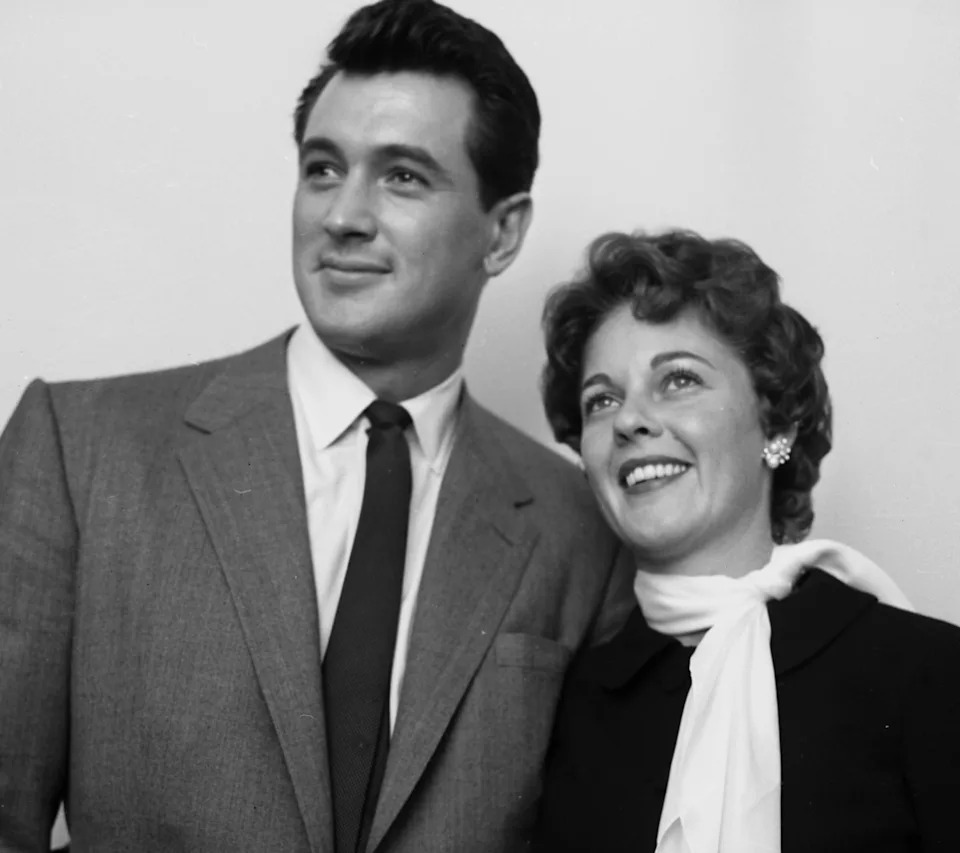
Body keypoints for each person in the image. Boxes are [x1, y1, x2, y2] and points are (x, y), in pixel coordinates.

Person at [0, 2, 632, 851]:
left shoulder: (576, 528)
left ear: (503, 231)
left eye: (402, 176)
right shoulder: (81, 451)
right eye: (323, 168)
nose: (342, 216)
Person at [532, 229, 960, 852]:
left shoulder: (928, 675)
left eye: (678, 379)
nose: (629, 420)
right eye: (602, 400)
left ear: (776, 424)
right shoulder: (571, 706)